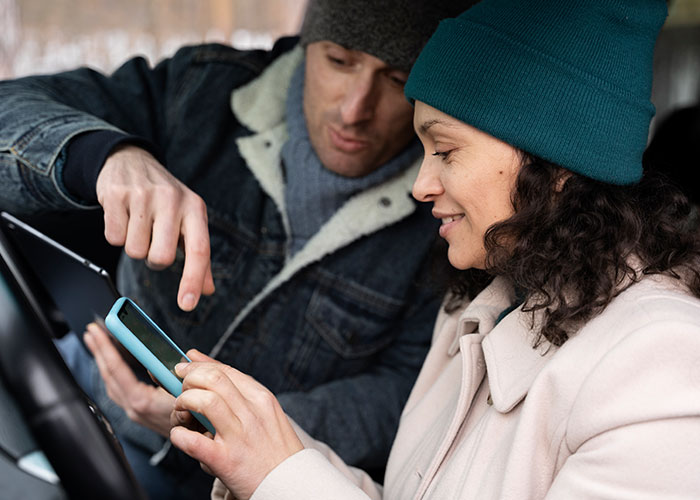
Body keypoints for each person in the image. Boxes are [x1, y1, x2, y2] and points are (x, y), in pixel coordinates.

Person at [159, 0, 700, 498]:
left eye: (444, 149)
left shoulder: (661, 362)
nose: (421, 186)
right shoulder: (477, 310)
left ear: (555, 165)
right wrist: (262, 443)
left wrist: (281, 476)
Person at [0, 1, 478, 497]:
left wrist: (225, 419)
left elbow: (405, 394)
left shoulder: (447, 216)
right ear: (307, 44)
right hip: (84, 395)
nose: (354, 109)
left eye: (397, 79)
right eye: (339, 61)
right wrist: (104, 155)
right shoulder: (200, 91)